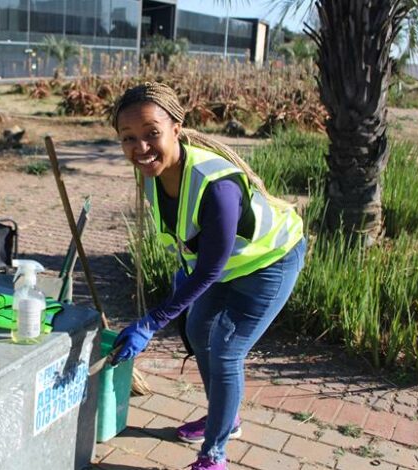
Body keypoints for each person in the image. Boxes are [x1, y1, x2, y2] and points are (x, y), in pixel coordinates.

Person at [111, 82, 306, 470]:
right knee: (198, 332)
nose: (141, 147)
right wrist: (181, 275)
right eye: (128, 137)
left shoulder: (216, 184)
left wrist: (151, 322)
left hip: (270, 260)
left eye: (152, 133)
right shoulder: (152, 174)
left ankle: (214, 455)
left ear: (176, 128)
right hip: (227, 265)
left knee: (226, 350)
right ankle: (225, 417)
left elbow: (211, 269)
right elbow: (191, 240)